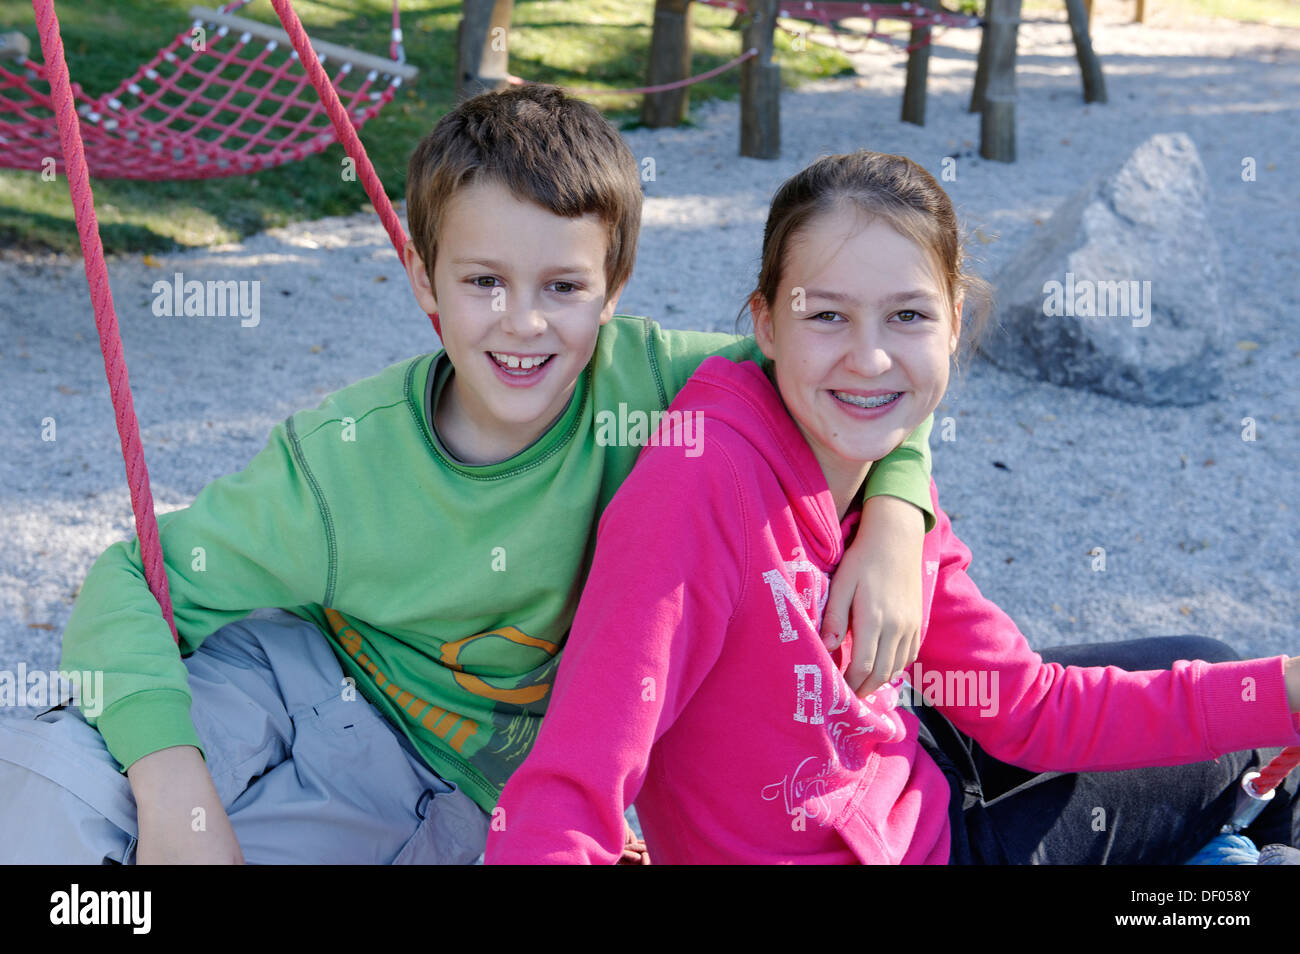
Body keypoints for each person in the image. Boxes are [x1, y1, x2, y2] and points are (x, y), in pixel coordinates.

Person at [0, 87, 937, 865]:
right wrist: (174, 792)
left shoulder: (660, 385)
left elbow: (849, 378)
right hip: (304, 688)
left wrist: (897, 514)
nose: (522, 324)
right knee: (44, 785)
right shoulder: (343, 462)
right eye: (483, 282)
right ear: (424, 280)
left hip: (473, 801)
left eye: (562, 288)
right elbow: (129, 580)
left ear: (614, 287)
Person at [485, 149, 1300, 864]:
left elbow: (1024, 709)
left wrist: (1286, 689)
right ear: (765, 325)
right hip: (932, 839)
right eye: (828, 315)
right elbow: (575, 777)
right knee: (1242, 746)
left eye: (907, 315)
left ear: (954, 323)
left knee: (1225, 666)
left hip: (919, 767)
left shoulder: (879, 470)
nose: (869, 357)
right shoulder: (700, 484)